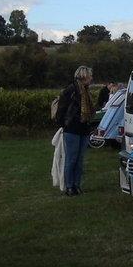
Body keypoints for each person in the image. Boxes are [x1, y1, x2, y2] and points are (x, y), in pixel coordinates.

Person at [56, 66, 94, 196]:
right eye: (90, 76)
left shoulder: (85, 91)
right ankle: (69, 186)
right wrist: (64, 124)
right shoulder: (72, 89)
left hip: (83, 127)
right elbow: (62, 108)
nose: (91, 78)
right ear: (84, 76)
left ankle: (77, 184)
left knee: (80, 159)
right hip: (72, 128)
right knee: (71, 158)